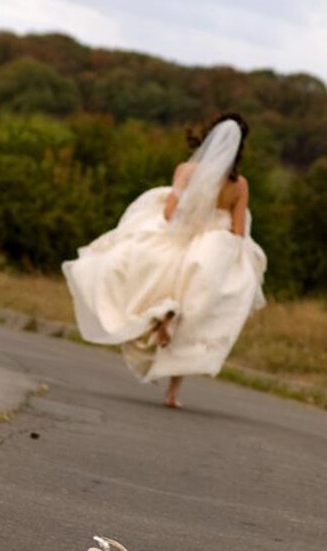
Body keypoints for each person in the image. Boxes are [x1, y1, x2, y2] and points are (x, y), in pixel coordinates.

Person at [62, 112, 267, 408]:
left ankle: (163, 312)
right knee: (196, 321)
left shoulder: (186, 170)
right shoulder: (239, 185)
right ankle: (173, 392)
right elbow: (238, 231)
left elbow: (170, 212)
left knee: (143, 283)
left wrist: (191, 223)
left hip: (177, 244)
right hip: (209, 251)